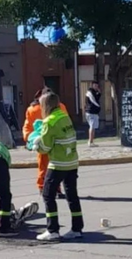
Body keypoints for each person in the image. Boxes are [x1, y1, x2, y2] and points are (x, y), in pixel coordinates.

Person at [33, 92, 83, 241]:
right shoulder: (64, 116)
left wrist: (36, 144)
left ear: (45, 105)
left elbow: (45, 148)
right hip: (72, 161)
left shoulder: (49, 122)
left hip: (58, 164)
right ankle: (77, 228)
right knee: (72, 195)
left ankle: (52, 230)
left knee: (48, 195)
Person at [22, 87, 68, 199]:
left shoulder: (32, 109)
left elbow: (27, 127)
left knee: (44, 166)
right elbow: (66, 122)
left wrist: (30, 140)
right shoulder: (61, 107)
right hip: (58, 141)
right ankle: (55, 189)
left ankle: (43, 187)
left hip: (43, 141)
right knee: (57, 166)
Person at [85, 81, 101, 147]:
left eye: (97, 86)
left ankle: (91, 141)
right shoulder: (90, 92)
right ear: (92, 86)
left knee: (93, 127)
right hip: (91, 112)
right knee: (92, 126)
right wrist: (99, 106)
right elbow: (94, 101)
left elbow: (97, 98)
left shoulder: (94, 92)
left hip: (93, 112)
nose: (96, 87)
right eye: (95, 86)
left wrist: (99, 93)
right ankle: (90, 141)